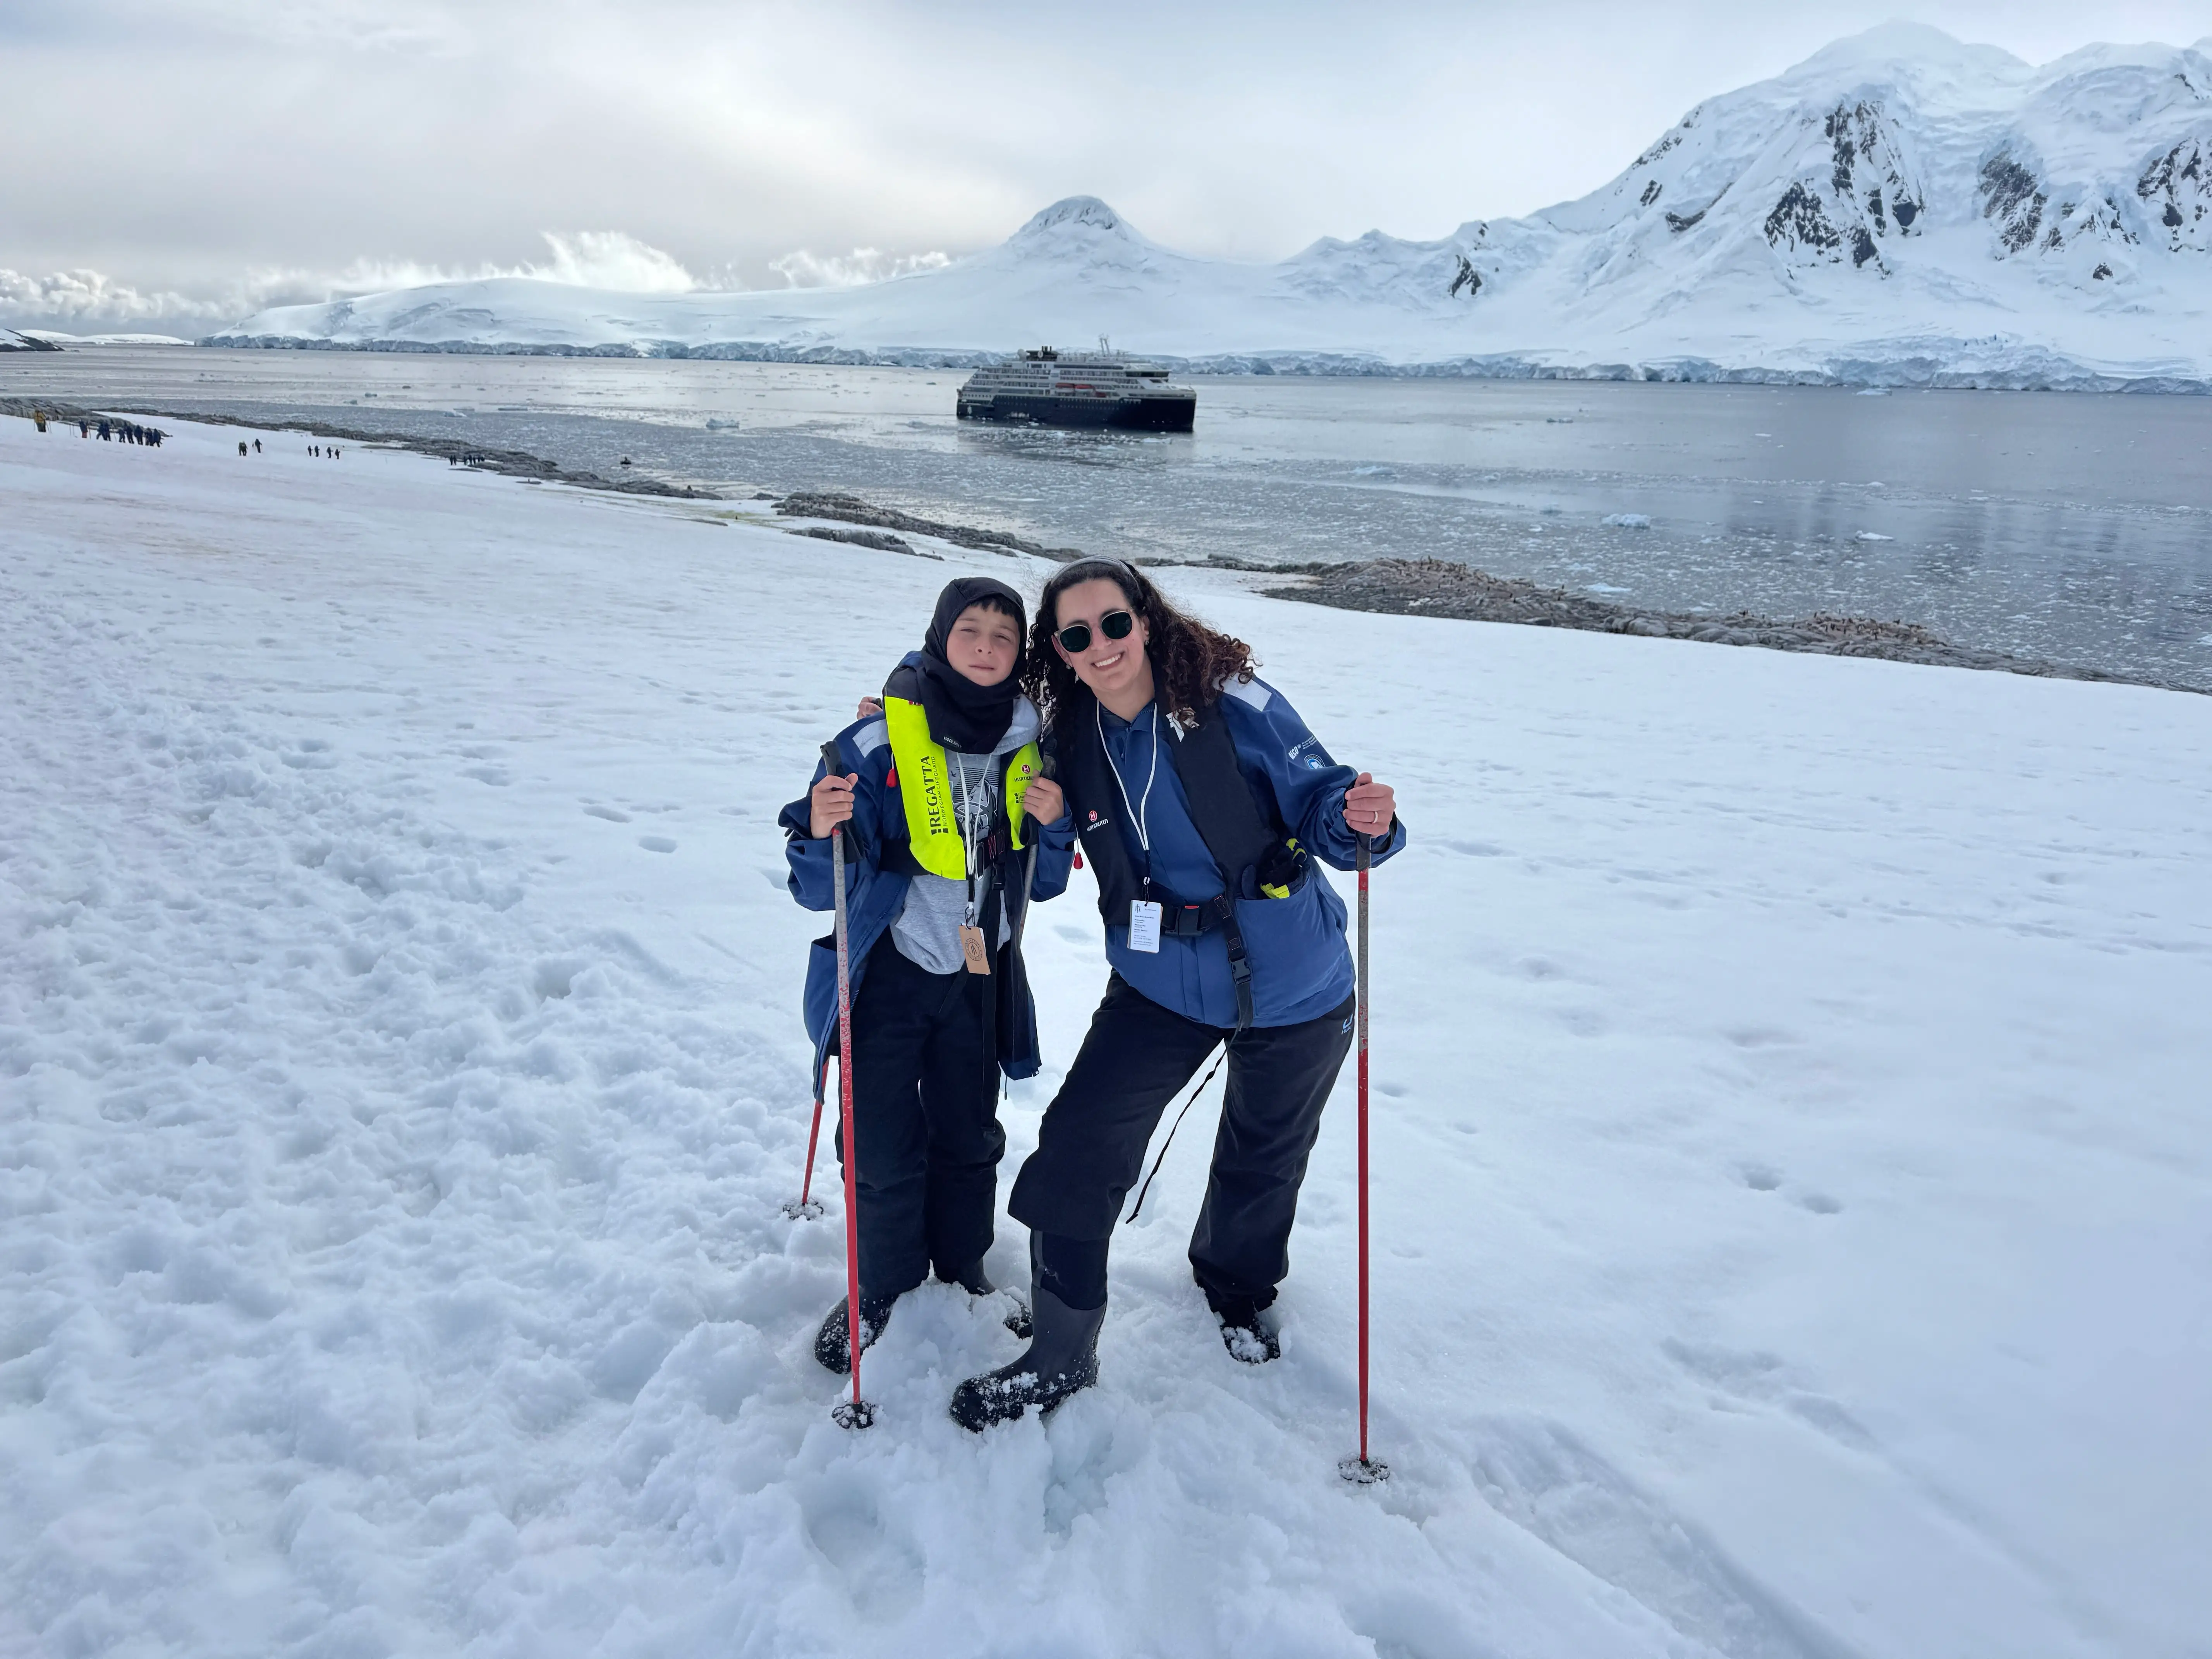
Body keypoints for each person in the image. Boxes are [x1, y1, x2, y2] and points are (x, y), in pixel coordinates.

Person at [950, 559, 1405, 1431]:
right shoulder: (1068, 738)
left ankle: (1235, 1291)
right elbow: (966, 737)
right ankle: (1062, 1351)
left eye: (1114, 624)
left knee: (1264, 1153)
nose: (1101, 647)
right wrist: (884, 723)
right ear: (1060, 651)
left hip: (1298, 983)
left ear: (1146, 621)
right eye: (1076, 636)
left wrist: (1361, 822)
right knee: (1081, 1143)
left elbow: (1323, 805)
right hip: (1159, 982)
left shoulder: (1237, 706)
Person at [780, 577, 1077, 1374]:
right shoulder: (875, 742)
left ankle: (962, 1267)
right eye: (969, 632)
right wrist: (815, 831)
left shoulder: (1035, 746)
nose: (985, 649)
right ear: (941, 636)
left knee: (970, 1134)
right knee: (880, 1140)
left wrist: (1053, 828)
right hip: (892, 974)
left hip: (979, 978)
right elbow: (816, 886)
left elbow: (1047, 883)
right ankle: (880, 1283)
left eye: (1003, 637)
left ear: (1020, 654)